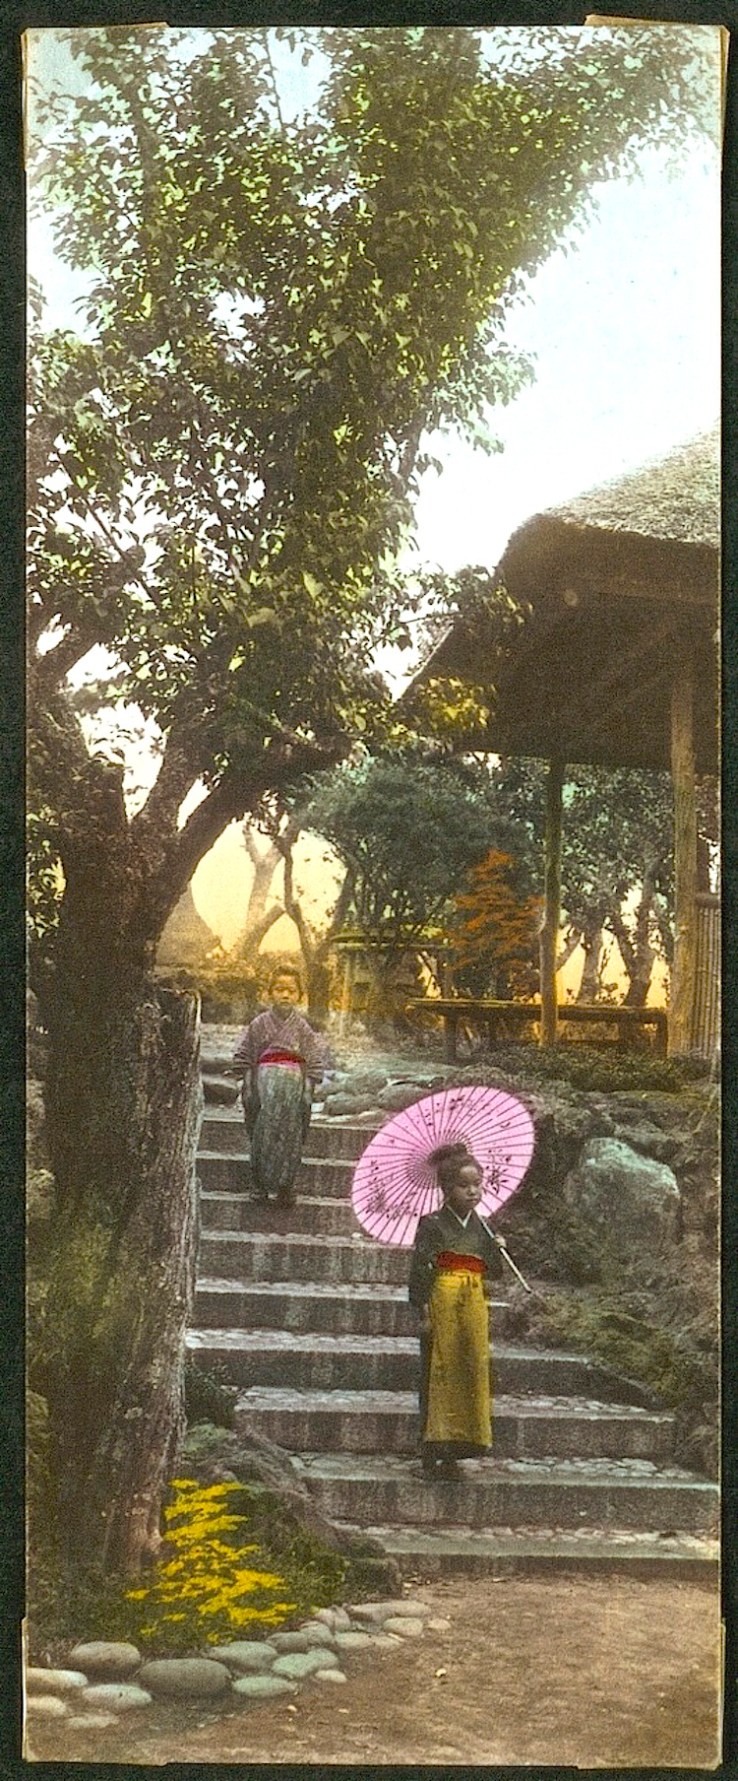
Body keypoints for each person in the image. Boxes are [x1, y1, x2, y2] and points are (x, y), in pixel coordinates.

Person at [408, 1141, 504, 1479]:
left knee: (469, 1372)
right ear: (447, 1188)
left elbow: (494, 1271)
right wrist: (423, 1311)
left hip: (473, 1304)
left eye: (477, 1184)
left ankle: (457, 1452)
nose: (472, 1191)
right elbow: (421, 1270)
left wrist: (497, 1250)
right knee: (438, 1374)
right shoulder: (432, 1224)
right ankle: (430, 1454)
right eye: (464, 1185)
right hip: (442, 1302)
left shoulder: (483, 1227)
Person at [232, 967, 330, 1207]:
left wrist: (307, 1089)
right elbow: (245, 1057)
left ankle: (286, 1186)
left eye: (291, 991)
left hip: (293, 1087)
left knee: (291, 1134)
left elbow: (313, 1060)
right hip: (265, 1085)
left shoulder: (302, 1027)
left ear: (299, 995)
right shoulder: (259, 1024)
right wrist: (249, 1086)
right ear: (270, 993)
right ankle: (259, 1184)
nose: (285, 995)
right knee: (263, 1132)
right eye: (279, 989)